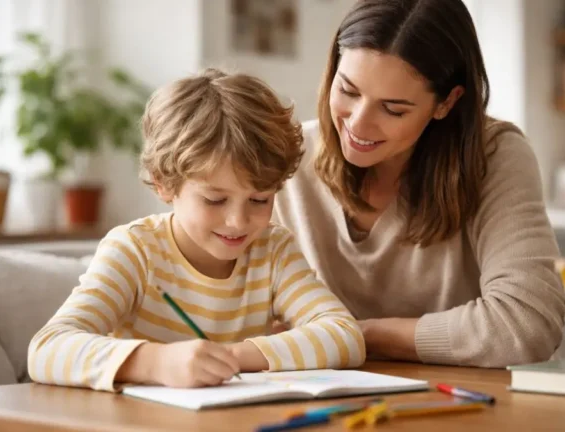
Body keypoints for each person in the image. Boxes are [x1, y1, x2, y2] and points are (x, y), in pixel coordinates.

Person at [27, 69, 365, 392]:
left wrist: (231, 357)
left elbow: (344, 335)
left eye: (259, 200)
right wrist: (154, 363)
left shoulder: (272, 250)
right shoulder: (134, 250)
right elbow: (47, 349)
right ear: (164, 184)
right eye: (215, 200)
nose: (238, 221)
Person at [272, 0, 565, 368]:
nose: (358, 124)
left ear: (446, 102)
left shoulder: (493, 156)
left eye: (393, 109)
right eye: (348, 90)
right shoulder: (287, 156)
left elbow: (528, 323)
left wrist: (352, 336)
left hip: (457, 409)